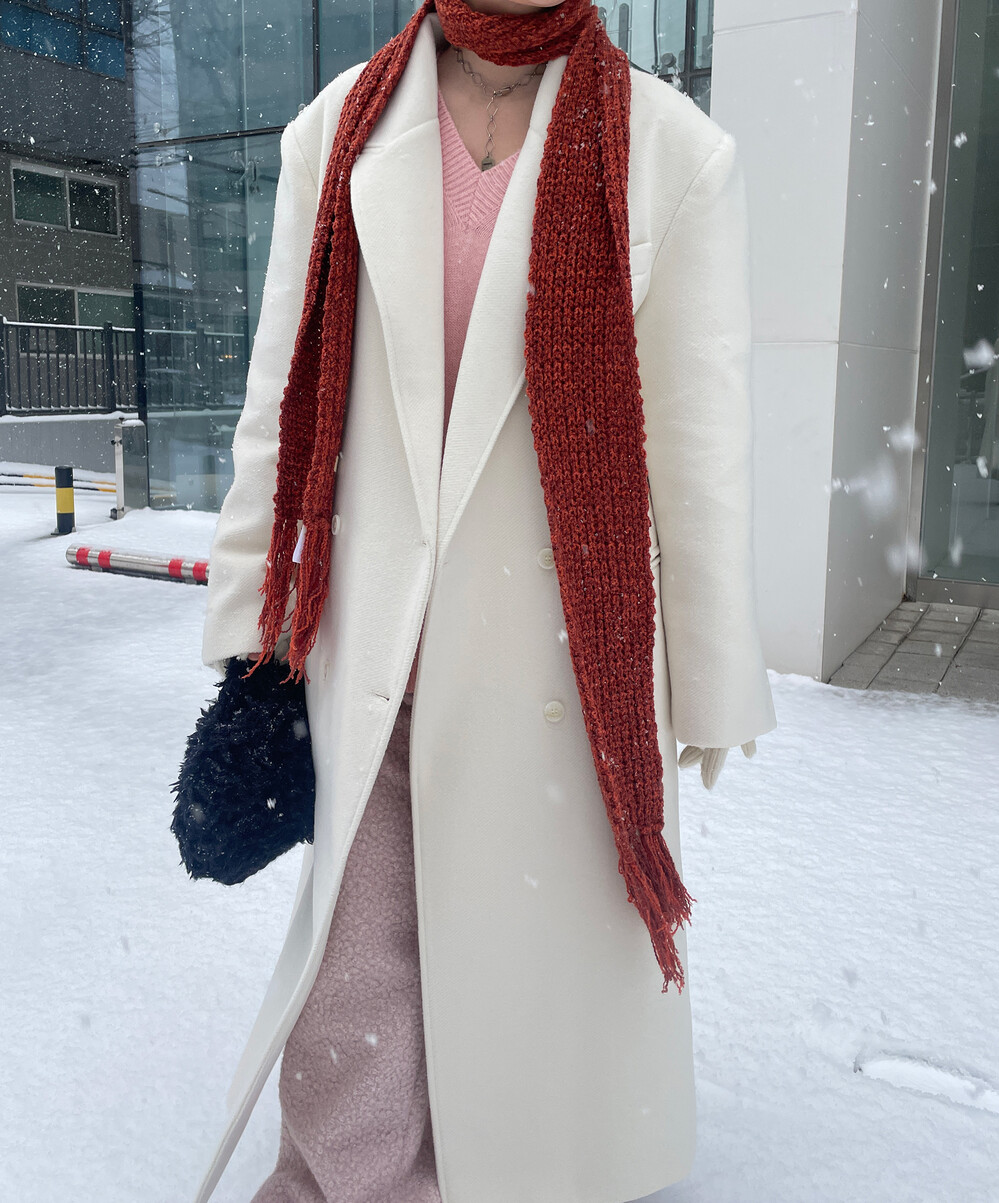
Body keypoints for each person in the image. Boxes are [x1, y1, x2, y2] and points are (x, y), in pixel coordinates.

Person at [193, 0, 776, 1199]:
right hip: (367, 636)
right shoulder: (339, 131)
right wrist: (254, 624)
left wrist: (711, 676)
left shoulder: (670, 151)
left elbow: (696, 447)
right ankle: (350, 1179)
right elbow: (278, 402)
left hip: (559, 662)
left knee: (522, 969)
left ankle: (516, 1172)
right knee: (356, 964)